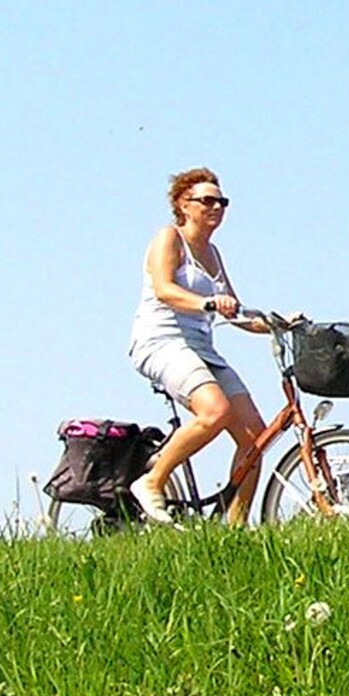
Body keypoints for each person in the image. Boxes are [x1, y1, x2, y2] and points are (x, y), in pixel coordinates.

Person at [126, 168, 268, 526]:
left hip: (202, 347)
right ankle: (151, 481)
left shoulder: (214, 253)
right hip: (161, 340)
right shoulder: (169, 238)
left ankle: (234, 529)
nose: (216, 207)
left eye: (222, 201)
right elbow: (163, 289)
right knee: (214, 411)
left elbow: (235, 311)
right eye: (207, 200)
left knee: (254, 438)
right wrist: (206, 303)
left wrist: (277, 324)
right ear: (183, 205)